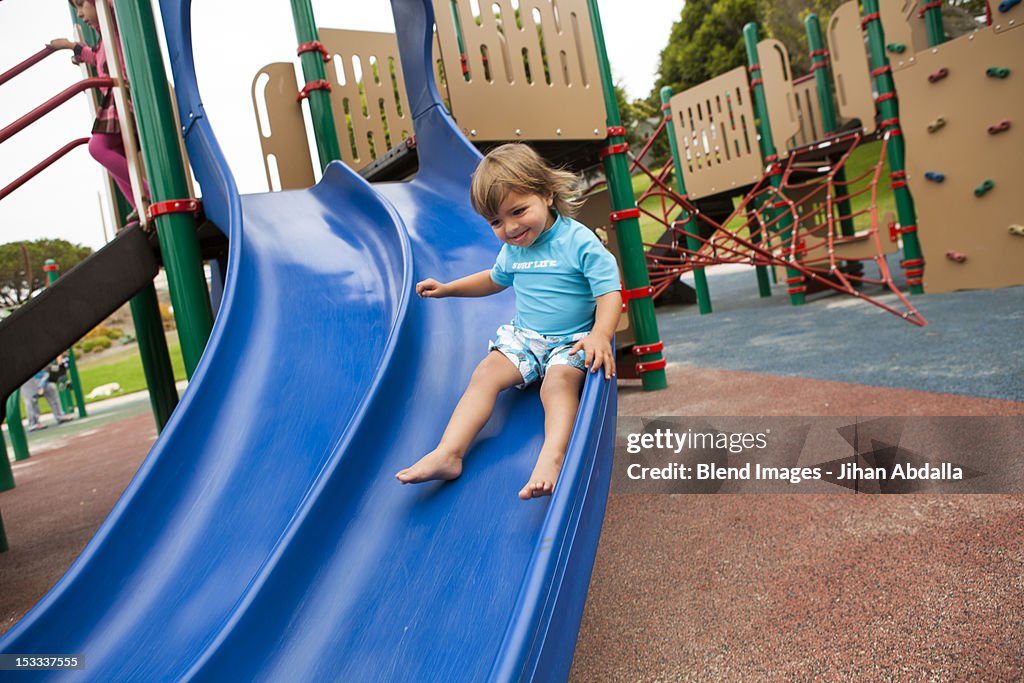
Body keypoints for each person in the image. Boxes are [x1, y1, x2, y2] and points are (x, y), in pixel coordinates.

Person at [396, 143, 622, 500]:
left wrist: (600, 334)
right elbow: (494, 278)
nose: (511, 228)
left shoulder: (578, 241)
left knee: (558, 383)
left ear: (546, 194)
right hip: (527, 337)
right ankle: (449, 453)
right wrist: (448, 288)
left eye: (518, 211)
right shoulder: (514, 249)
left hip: (572, 339)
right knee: (485, 373)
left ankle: (552, 457)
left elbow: (610, 291)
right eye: (496, 222)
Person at [48, 0, 142, 218]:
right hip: (114, 101)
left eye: (82, 5)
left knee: (97, 148)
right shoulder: (103, 42)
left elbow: (110, 6)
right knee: (112, 154)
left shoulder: (116, 27)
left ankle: (147, 193)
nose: (80, 13)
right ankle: (139, 204)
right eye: (77, 9)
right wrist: (70, 46)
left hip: (122, 97)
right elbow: (94, 55)